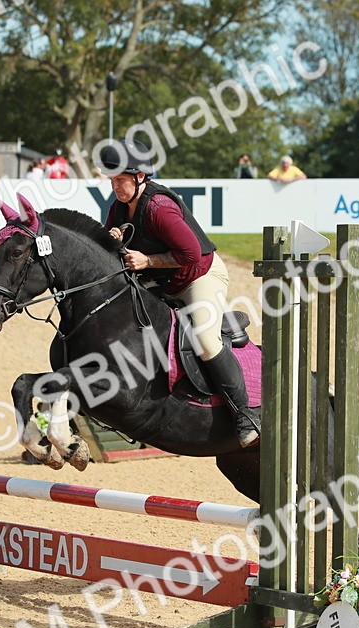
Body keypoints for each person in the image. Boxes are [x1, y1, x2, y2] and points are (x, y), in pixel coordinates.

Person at [99, 139, 259, 447]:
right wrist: (112, 241)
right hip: (162, 281)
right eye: (112, 180)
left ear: (140, 177)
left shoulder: (160, 207)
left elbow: (191, 252)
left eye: (120, 180)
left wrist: (147, 261)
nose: (115, 186)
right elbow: (112, 252)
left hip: (198, 275)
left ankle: (246, 414)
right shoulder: (118, 208)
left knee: (205, 339)